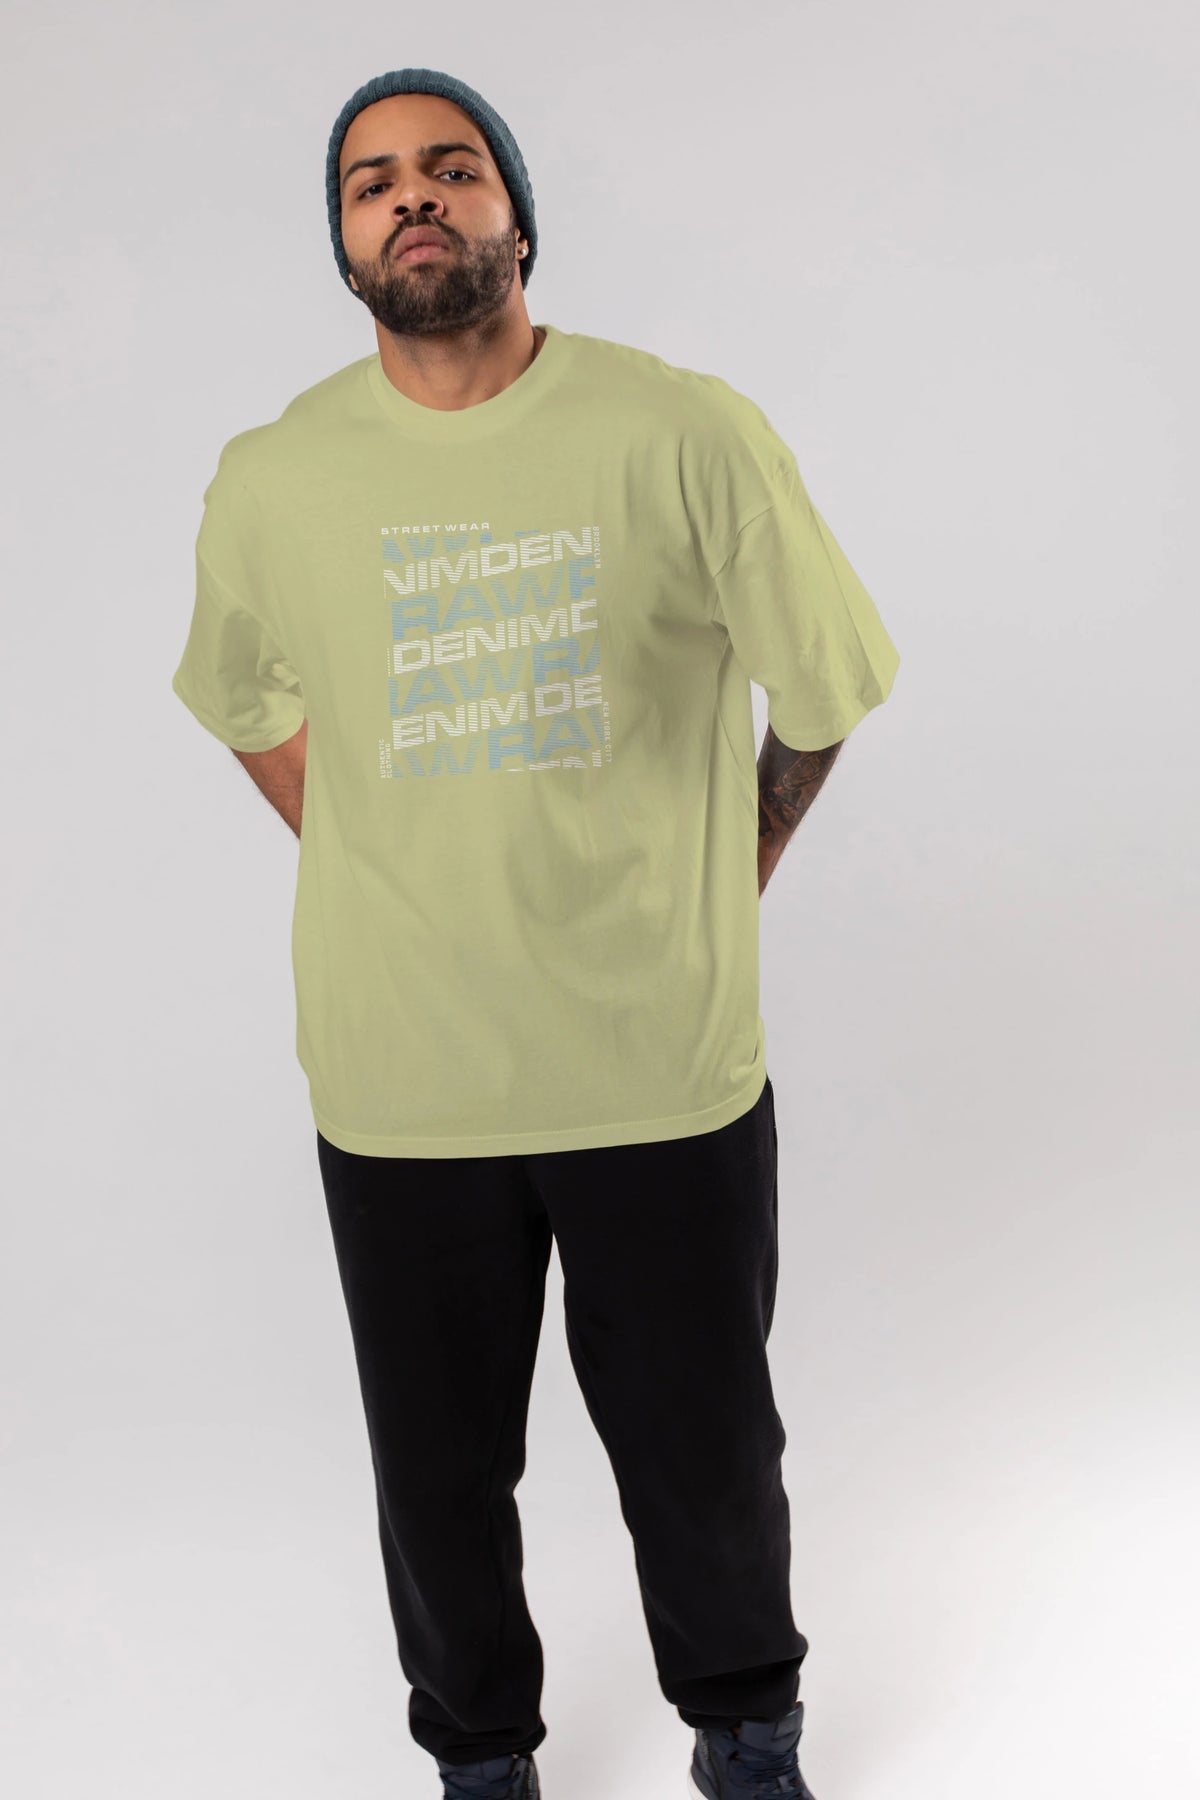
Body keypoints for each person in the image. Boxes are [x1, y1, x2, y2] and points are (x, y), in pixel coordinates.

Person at [170, 66, 900, 1800]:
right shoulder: (274, 477)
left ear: (517, 213)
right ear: (344, 243)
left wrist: (739, 859)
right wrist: (376, 848)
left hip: (658, 1060)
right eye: (372, 183)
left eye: (452, 167)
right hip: (402, 1079)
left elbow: (823, 685)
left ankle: (747, 1732)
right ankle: (481, 1760)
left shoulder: (682, 432)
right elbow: (242, 697)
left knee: (705, 1449)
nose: (413, 197)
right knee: (435, 1475)